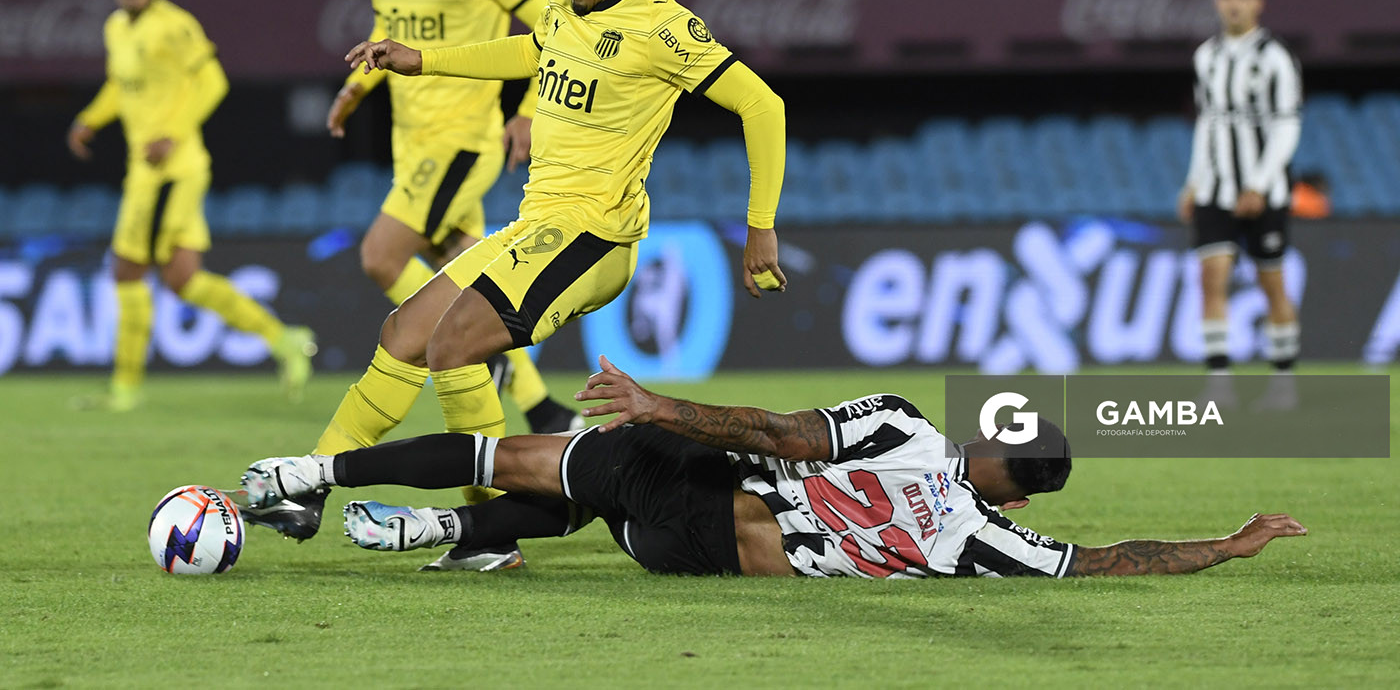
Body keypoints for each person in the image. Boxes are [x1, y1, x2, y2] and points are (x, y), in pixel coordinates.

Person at [249, 0, 787, 572]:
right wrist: (423, 61)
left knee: (452, 347)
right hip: (539, 223)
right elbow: (532, 51)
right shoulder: (567, 8)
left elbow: (762, 104)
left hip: (593, 236)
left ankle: (485, 531)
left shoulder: (664, 28)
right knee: (406, 331)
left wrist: (760, 226)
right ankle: (326, 485)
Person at [241, 355, 1308, 578]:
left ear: (998, 461)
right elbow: (1111, 562)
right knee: (577, 483)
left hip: (707, 492)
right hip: (700, 556)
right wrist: (1227, 542)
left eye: (994, 438)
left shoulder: (906, 430)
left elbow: (780, 432)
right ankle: (448, 536)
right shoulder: (989, 540)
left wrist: (665, 405)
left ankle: (313, 474)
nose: (978, 439)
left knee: (525, 455)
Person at [319, 0, 580, 454]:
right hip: (411, 143)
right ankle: (541, 407)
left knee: (381, 257)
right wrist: (359, 86)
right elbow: (391, 29)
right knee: (466, 271)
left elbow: (556, 23)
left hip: (463, 141)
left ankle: (467, 359)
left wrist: (525, 108)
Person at [67, 0, 317, 412]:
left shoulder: (175, 25)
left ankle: (124, 389)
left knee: (128, 269)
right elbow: (121, 87)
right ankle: (285, 339)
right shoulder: (115, 27)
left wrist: (172, 133)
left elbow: (213, 81)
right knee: (184, 279)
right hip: (144, 172)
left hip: (174, 171)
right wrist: (90, 119)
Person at [1177, 0, 1302, 410]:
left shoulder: (1275, 57)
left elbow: (1287, 127)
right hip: (1215, 189)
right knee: (1211, 279)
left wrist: (1260, 183)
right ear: (1216, 1)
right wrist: (1193, 181)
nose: (1234, 3)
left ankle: (1284, 384)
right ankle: (1219, 385)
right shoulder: (1206, 56)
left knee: (1272, 284)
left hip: (1264, 192)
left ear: (1258, 2)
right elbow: (1207, 123)